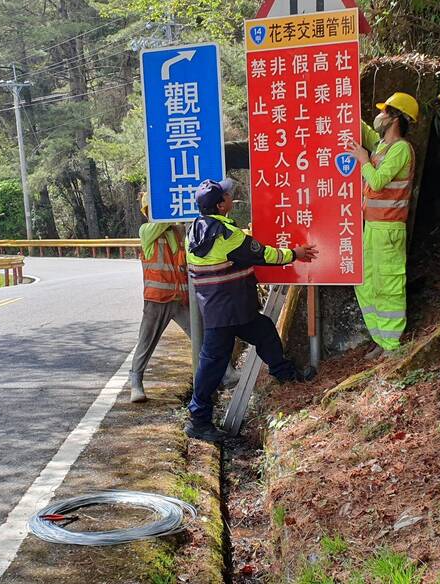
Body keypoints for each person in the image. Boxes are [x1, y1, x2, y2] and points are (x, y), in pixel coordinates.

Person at [184, 178, 318, 442]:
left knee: (265, 331)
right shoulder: (227, 235)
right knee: (213, 363)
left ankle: (284, 374)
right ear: (221, 205)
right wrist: (295, 253)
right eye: (226, 195)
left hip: (221, 308)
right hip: (228, 310)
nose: (231, 197)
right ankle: (198, 420)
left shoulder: (194, 231)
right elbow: (263, 254)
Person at [129, 193, 237, 402]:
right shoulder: (148, 231)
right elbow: (162, 223)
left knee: (205, 336)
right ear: (148, 212)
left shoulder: (180, 232)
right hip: (157, 300)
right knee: (146, 342)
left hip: (180, 299)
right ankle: (136, 382)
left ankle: (227, 373)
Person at [345, 92, 419, 359]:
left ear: (396, 117)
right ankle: (380, 337)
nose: (380, 116)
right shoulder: (381, 147)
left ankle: (392, 344)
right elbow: (360, 128)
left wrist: (363, 160)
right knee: (364, 282)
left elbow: (377, 182)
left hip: (389, 229)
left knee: (388, 284)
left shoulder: (401, 148)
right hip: (372, 227)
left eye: (385, 112)